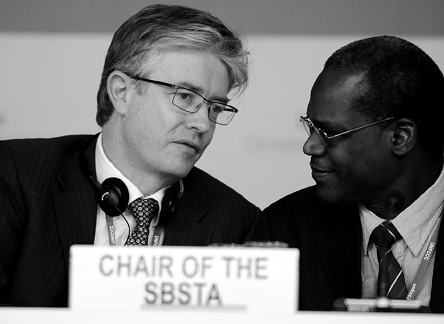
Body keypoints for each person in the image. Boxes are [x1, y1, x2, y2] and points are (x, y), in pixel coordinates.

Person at [0, 4, 260, 307]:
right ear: (122, 92)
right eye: (186, 96)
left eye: (215, 107)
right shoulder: (15, 174)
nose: (203, 123)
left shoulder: (238, 222)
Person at [251, 35, 444, 314]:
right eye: (310, 127)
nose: (310, 146)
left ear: (400, 137)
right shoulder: (285, 229)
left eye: (330, 133)